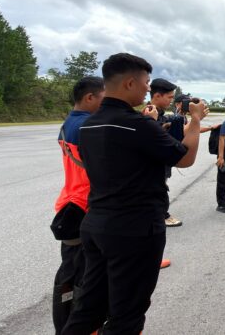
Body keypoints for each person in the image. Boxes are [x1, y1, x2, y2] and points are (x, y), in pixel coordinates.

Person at [62, 53, 208, 334]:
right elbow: (185, 158)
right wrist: (196, 120)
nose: (147, 89)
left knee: (89, 307)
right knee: (127, 314)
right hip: (134, 229)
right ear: (129, 83)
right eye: (146, 83)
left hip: (96, 224)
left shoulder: (89, 124)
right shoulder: (138, 125)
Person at [51, 76, 104, 335]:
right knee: (82, 274)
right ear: (90, 97)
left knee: (71, 270)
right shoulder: (88, 126)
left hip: (70, 201)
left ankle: (70, 324)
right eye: (104, 98)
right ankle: (77, 326)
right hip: (84, 206)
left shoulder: (68, 124)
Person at [148, 79, 183, 228]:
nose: (171, 101)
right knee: (157, 189)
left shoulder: (162, 115)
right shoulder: (148, 115)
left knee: (161, 187)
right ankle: (162, 215)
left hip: (162, 162)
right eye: (169, 97)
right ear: (157, 96)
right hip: (153, 164)